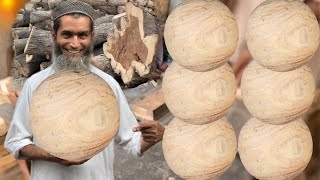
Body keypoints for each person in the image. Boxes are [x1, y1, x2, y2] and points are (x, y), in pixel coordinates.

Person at [4, 1, 165, 180]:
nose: (75, 44)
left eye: (82, 35)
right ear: (53, 35)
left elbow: (131, 142)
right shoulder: (34, 85)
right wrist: (50, 155)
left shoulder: (107, 85)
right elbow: (16, 142)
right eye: (67, 35)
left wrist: (150, 138)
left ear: (92, 37)